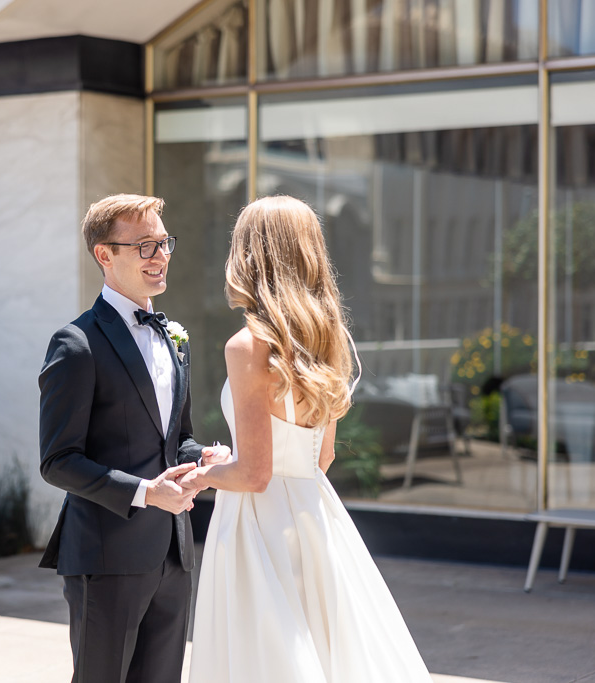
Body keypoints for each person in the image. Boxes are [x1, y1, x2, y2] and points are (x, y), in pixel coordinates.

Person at [181, 195, 434, 682]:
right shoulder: (327, 336)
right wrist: (235, 459)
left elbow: (254, 476)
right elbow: (322, 455)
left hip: (257, 526)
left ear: (249, 254)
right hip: (314, 514)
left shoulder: (249, 344)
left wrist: (200, 475)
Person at [38, 193, 230, 683]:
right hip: (106, 558)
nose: (161, 255)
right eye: (145, 246)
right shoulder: (77, 344)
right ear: (106, 254)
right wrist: (147, 493)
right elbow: (58, 460)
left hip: (175, 553)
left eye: (164, 243)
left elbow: (174, 439)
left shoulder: (173, 337)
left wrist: (200, 458)